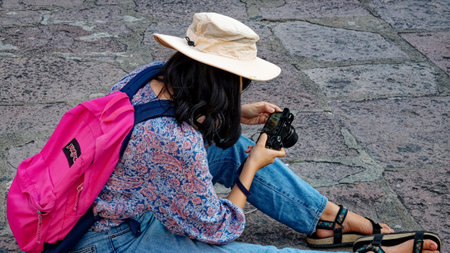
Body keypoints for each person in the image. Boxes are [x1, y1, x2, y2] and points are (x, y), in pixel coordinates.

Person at [70, 12, 441, 253]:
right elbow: (218, 228)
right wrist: (253, 167)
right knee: (237, 248)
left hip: (100, 197)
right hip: (108, 239)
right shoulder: (174, 141)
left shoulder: (151, 75)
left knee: (227, 147)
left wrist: (237, 113)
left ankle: (328, 220)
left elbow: (158, 124)